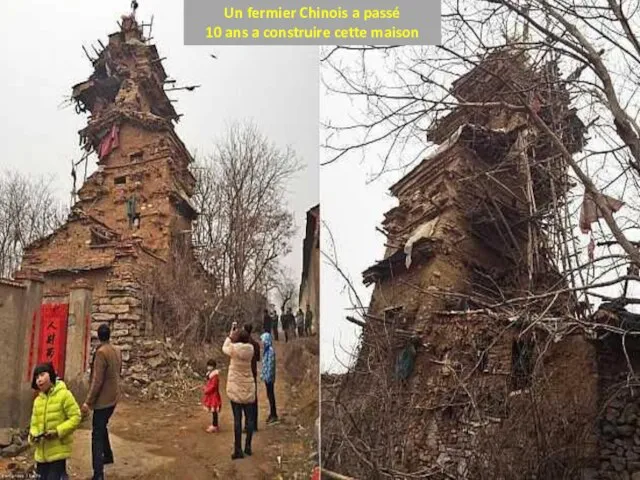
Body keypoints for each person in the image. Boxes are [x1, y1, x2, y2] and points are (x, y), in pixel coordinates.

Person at [81, 323, 122, 480]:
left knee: (96, 435)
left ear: (98, 336)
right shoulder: (117, 350)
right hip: (114, 397)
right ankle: (108, 455)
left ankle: (98, 474)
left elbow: (97, 381)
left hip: (103, 401)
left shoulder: (101, 353)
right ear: (109, 335)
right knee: (102, 425)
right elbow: (119, 371)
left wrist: (88, 402)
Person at [29, 362, 82, 480]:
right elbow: (34, 424)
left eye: (42, 375)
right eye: (37, 377)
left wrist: (58, 432)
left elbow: (76, 417)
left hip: (58, 451)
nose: (39, 380)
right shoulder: (38, 401)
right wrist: (33, 436)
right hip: (41, 454)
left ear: (51, 375)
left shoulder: (64, 395)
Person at [223, 323, 257, 460]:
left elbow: (224, 347)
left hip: (235, 389)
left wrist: (231, 335)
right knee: (249, 420)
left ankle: (238, 450)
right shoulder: (251, 349)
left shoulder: (233, 349)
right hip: (248, 388)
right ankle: (248, 447)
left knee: (237, 420)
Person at [244, 323, 260, 432]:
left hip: (245, 374)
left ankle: (247, 425)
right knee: (253, 399)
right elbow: (258, 358)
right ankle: (254, 424)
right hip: (253, 373)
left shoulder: (242, 344)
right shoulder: (255, 344)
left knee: (245, 400)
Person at [260, 331, 278, 424]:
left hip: (269, 378)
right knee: (269, 395)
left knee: (271, 396)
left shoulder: (270, 351)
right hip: (267, 377)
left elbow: (270, 366)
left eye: (263, 340)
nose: (262, 342)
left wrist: (267, 377)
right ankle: (272, 413)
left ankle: (274, 414)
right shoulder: (267, 350)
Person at [202, 359, 222, 433]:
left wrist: (206, 390)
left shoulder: (214, 376)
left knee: (214, 411)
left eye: (210, 366)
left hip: (213, 395)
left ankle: (215, 425)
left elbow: (213, 386)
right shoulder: (211, 375)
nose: (208, 367)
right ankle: (214, 425)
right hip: (212, 395)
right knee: (213, 411)